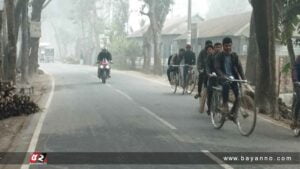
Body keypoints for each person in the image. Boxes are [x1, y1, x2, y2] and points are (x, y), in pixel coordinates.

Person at [214, 37, 246, 120]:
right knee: (226, 85)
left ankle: (233, 113)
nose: (228, 47)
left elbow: (240, 68)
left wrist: (243, 79)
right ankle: (224, 104)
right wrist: (223, 76)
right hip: (223, 79)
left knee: (238, 96)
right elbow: (217, 68)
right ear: (223, 46)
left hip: (233, 79)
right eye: (226, 46)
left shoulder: (234, 56)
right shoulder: (219, 56)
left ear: (231, 46)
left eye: (230, 46)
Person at [204, 44, 216, 115]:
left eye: (211, 49)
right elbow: (207, 66)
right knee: (210, 91)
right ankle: (209, 108)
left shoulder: (221, 56)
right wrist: (208, 73)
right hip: (210, 76)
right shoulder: (209, 57)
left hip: (219, 76)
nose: (210, 51)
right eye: (208, 50)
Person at [291, 55, 300, 129]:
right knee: (299, 100)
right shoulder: (298, 59)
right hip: (298, 83)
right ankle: (295, 119)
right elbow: (295, 70)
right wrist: (296, 80)